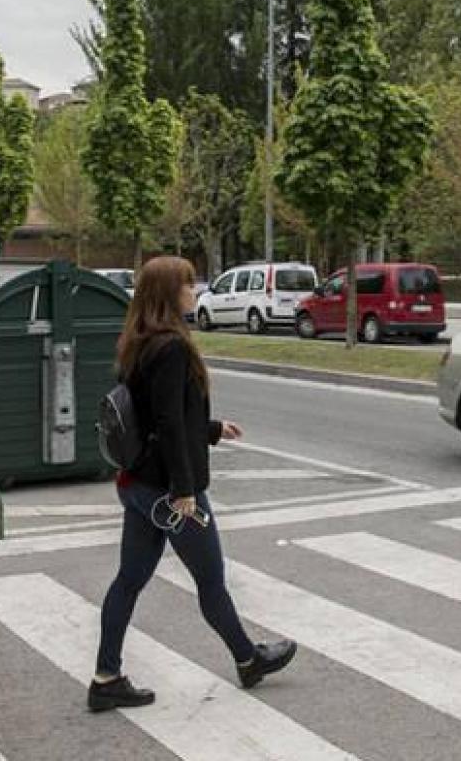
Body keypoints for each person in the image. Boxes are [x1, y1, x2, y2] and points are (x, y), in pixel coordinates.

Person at [89, 255, 298, 712]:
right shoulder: (172, 348)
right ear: (168, 294)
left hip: (138, 483)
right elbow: (166, 423)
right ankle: (248, 659)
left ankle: (106, 677)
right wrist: (184, 490)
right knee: (210, 580)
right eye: (187, 285)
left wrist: (212, 428)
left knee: (129, 579)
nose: (195, 291)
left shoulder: (137, 343)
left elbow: (157, 416)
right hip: (170, 491)